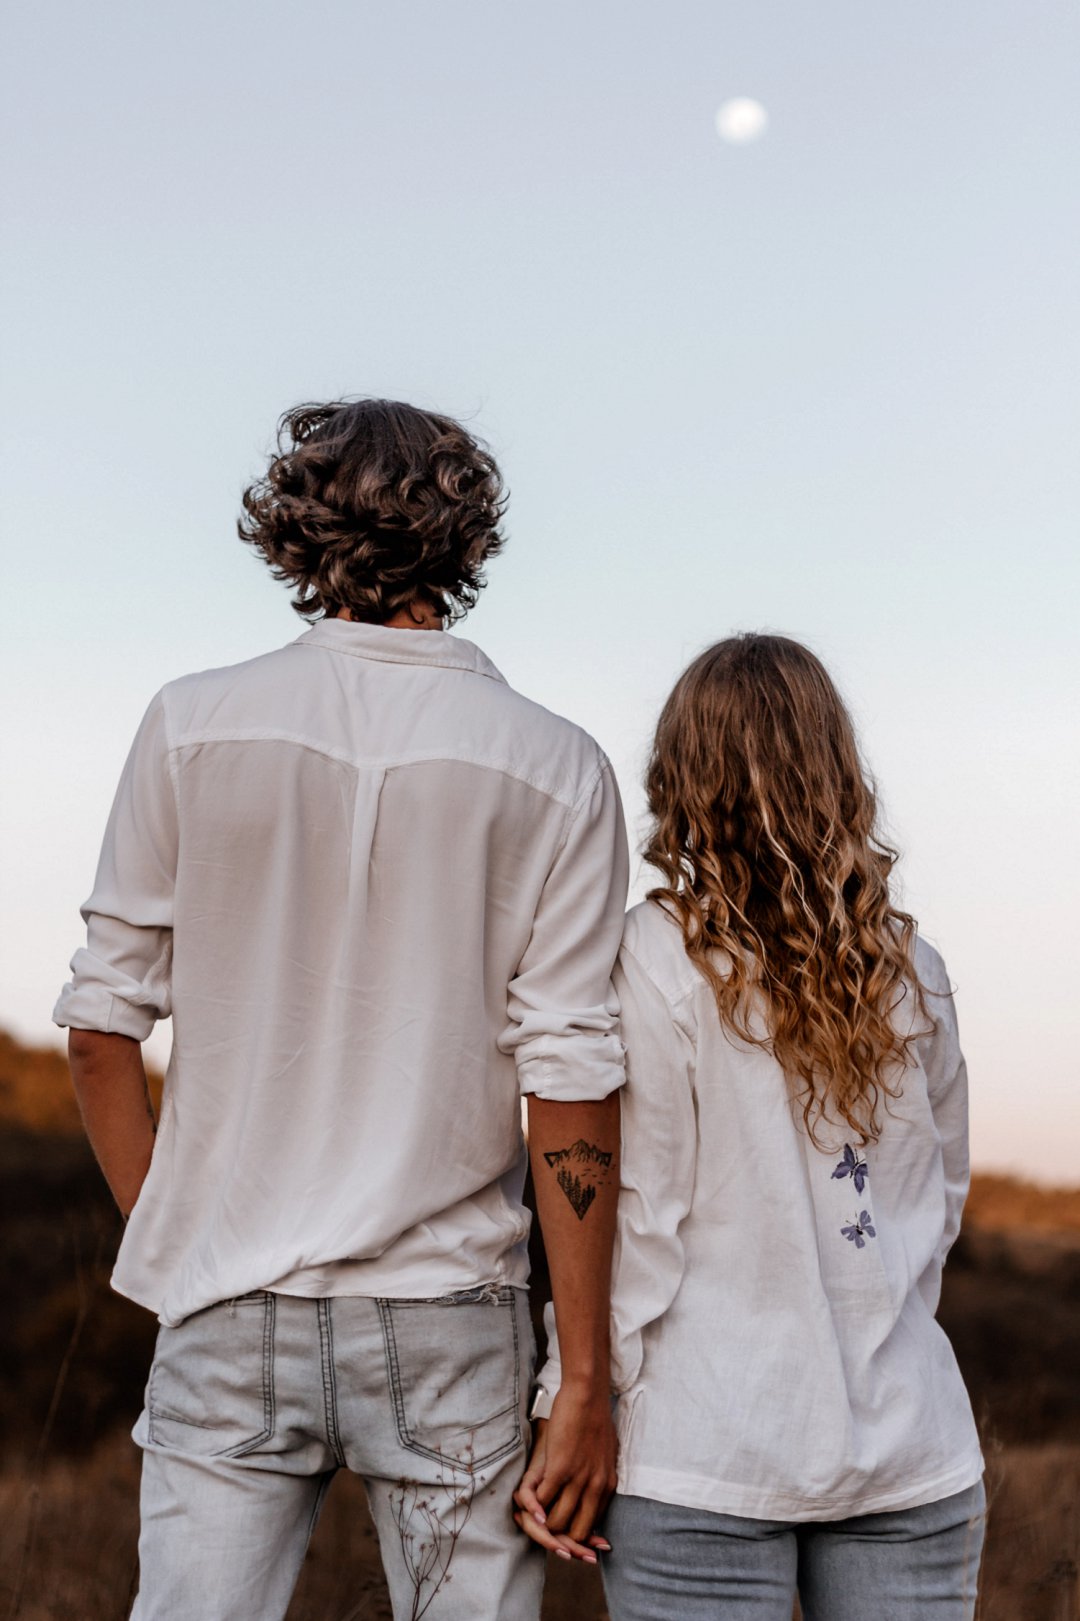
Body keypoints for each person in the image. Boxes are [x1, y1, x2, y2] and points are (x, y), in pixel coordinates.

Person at [54, 398, 626, 1621]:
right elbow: (571, 1079)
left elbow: (102, 1030)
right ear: (468, 536)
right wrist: (582, 1376)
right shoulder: (556, 765)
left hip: (227, 1293)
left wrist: (182, 1234)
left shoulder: (191, 723)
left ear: (297, 528)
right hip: (452, 1313)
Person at [516, 634, 985, 1620]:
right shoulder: (914, 970)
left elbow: (639, 1222)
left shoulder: (649, 957)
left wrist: (571, 1395)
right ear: (838, 767)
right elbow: (937, 1203)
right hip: (912, 1448)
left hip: (702, 1457)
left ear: (680, 776)